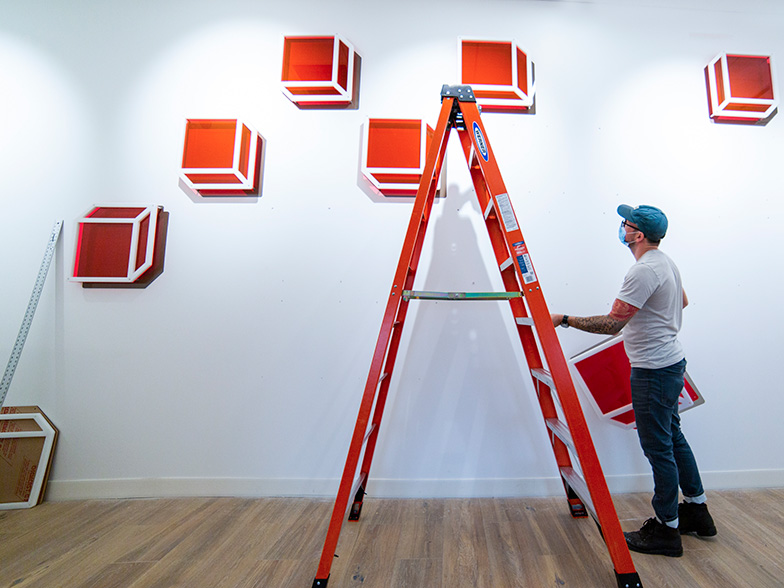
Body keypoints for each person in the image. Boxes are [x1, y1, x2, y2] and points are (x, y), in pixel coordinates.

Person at [550, 204, 716, 557]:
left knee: (658, 448)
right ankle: (697, 512)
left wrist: (563, 319)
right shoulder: (664, 262)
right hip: (670, 362)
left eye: (625, 224)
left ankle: (666, 530)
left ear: (637, 235)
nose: (621, 227)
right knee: (673, 437)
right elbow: (682, 301)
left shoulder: (643, 271)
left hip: (653, 371)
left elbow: (612, 324)